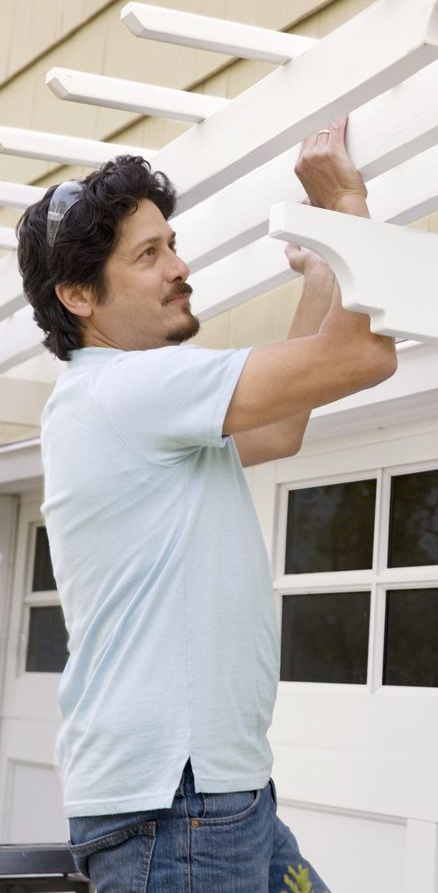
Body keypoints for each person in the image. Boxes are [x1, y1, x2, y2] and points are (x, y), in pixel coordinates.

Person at [15, 117, 396, 893]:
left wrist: (322, 274)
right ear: (79, 295)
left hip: (217, 795)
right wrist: (348, 207)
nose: (179, 267)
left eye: (172, 243)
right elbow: (364, 354)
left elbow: (282, 427)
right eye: (148, 255)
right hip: (178, 805)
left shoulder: (125, 408)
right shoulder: (130, 388)